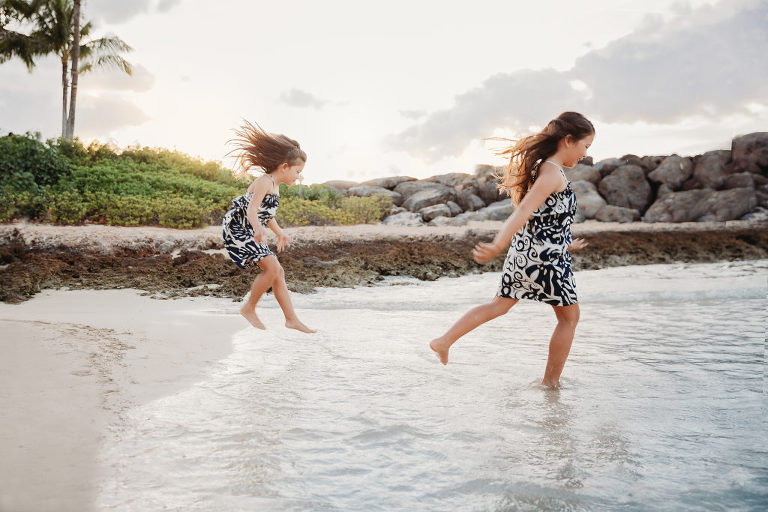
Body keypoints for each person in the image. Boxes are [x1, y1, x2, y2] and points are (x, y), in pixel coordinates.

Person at [429, 112, 594, 388]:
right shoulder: (552, 172)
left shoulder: (542, 168)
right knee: (570, 318)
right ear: (568, 140)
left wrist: (565, 244)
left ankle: (444, 341)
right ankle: (550, 385)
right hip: (545, 259)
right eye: (585, 146)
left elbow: (543, 220)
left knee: (499, 305)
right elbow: (523, 213)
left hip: (525, 255)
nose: (586, 154)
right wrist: (496, 244)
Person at [222, 121, 315, 333]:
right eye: (297, 171)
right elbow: (252, 210)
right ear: (284, 167)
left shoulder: (277, 186)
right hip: (238, 228)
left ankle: (291, 319)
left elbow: (266, 215)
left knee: (277, 271)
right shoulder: (265, 181)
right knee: (272, 268)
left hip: (250, 228)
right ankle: (248, 307)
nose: (298, 176)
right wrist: (257, 229)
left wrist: (279, 232)